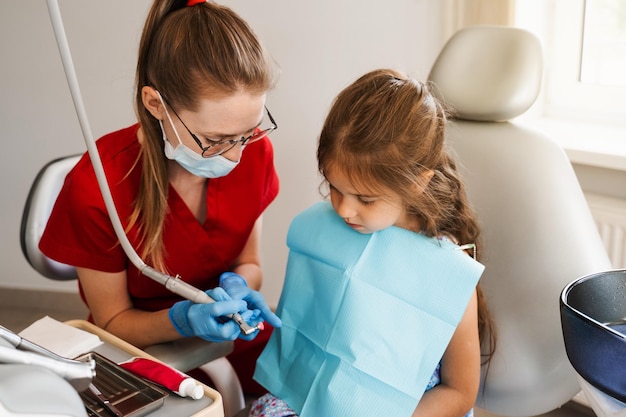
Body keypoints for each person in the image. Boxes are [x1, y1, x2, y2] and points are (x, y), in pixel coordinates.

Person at [39, 0, 282, 395]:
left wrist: (239, 285)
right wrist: (183, 320)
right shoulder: (97, 185)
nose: (237, 156)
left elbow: (249, 262)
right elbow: (113, 321)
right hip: (145, 347)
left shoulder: (257, 153)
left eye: (248, 133)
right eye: (216, 141)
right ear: (157, 105)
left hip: (237, 336)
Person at [248, 69, 496, 417]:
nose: (344, 209)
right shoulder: (328, 236)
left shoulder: (444, 275)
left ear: (416, 184)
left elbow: (459, 392)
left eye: (366, 199)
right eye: (334, 188)